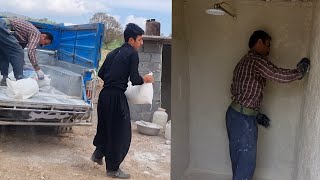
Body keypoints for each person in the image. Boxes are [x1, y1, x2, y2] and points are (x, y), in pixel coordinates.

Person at [226, 30, 310, 180]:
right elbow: (277, 74)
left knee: (239, 160)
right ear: (259, 42)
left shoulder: (243, 61)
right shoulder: (256, 60)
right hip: (243, 119)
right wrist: (300, 72)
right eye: (268, 44)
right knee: (246, 164)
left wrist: (255, 114)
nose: (269, 49)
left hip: (235, 115)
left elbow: (239, 91)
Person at [91, 23, 154, 179]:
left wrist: (113, 82)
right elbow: (134, 78)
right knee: (121, 133)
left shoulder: (112, 53)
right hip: (116, 97)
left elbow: (101, 73)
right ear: (131, 40)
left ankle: (98, 154)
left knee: (106, 126)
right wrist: (144, 79)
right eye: (140, 39)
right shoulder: (132, 54)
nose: (142, 43)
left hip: (104, 95)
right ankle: (113, 169)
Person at [0, 17, 53, 85]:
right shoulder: (36, 34)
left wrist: (23, 64)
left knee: (5, 54)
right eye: (44, 43)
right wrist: (38, 69)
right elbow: (30, 51)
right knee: (18, 52)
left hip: (3, 27)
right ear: (43, 36)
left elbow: (16, 52)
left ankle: (4, 78)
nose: (42, 45)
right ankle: (20, 81)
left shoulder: (24, 37)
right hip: (3, 26)